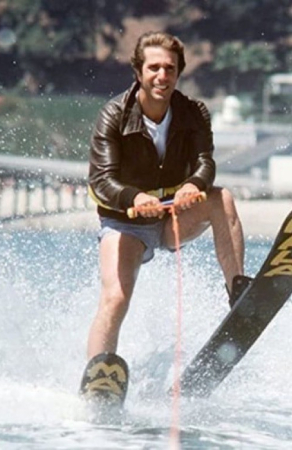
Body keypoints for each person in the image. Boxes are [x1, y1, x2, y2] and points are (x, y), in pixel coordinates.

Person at [85, 31, 251, 365]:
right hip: (125, 222)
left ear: (178, 73)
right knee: (116, 298)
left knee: (222, 199)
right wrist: (133, 197)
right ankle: (99, 372)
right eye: (154, 68)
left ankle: (239, 293)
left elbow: (206, 162)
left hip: (172, 217)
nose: (162, 76)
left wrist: (194, 184)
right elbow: (101, 180)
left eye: (170, 69)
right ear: (139, 72)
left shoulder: (193, 112)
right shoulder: (114, 115)